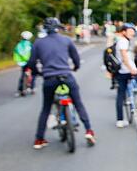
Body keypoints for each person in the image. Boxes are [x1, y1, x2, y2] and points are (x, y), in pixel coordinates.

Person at [26, 18, 95, 149]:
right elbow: (76, 58)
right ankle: (89, 131)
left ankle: (39, 139)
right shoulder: (66, 40)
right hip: (66, 76)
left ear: (45, 29)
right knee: (78, 102)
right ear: (58, 27)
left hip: (49, 79)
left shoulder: (38, 43)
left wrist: (39, 73)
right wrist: (75, 67)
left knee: (46, 108)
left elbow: (31, 63)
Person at [115, 23, 137, 127]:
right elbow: (125, 57)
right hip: (128, 71)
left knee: (120, 94)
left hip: (121, 72)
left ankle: (120, 120)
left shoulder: (122, 41)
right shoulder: (123, 42)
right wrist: (132, 69)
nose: (132, 33)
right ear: (123, 32)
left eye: (133, 31)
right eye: (130, 31)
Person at [14, 31, 35, 96]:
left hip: (21, 62)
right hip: (29, 61)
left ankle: (20, 89)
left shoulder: (19, 44)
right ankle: (32, 87)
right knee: (33, 74)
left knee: (23, 75)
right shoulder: (30, 44)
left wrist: (18, 61)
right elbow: (34, 53)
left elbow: (16, 53)